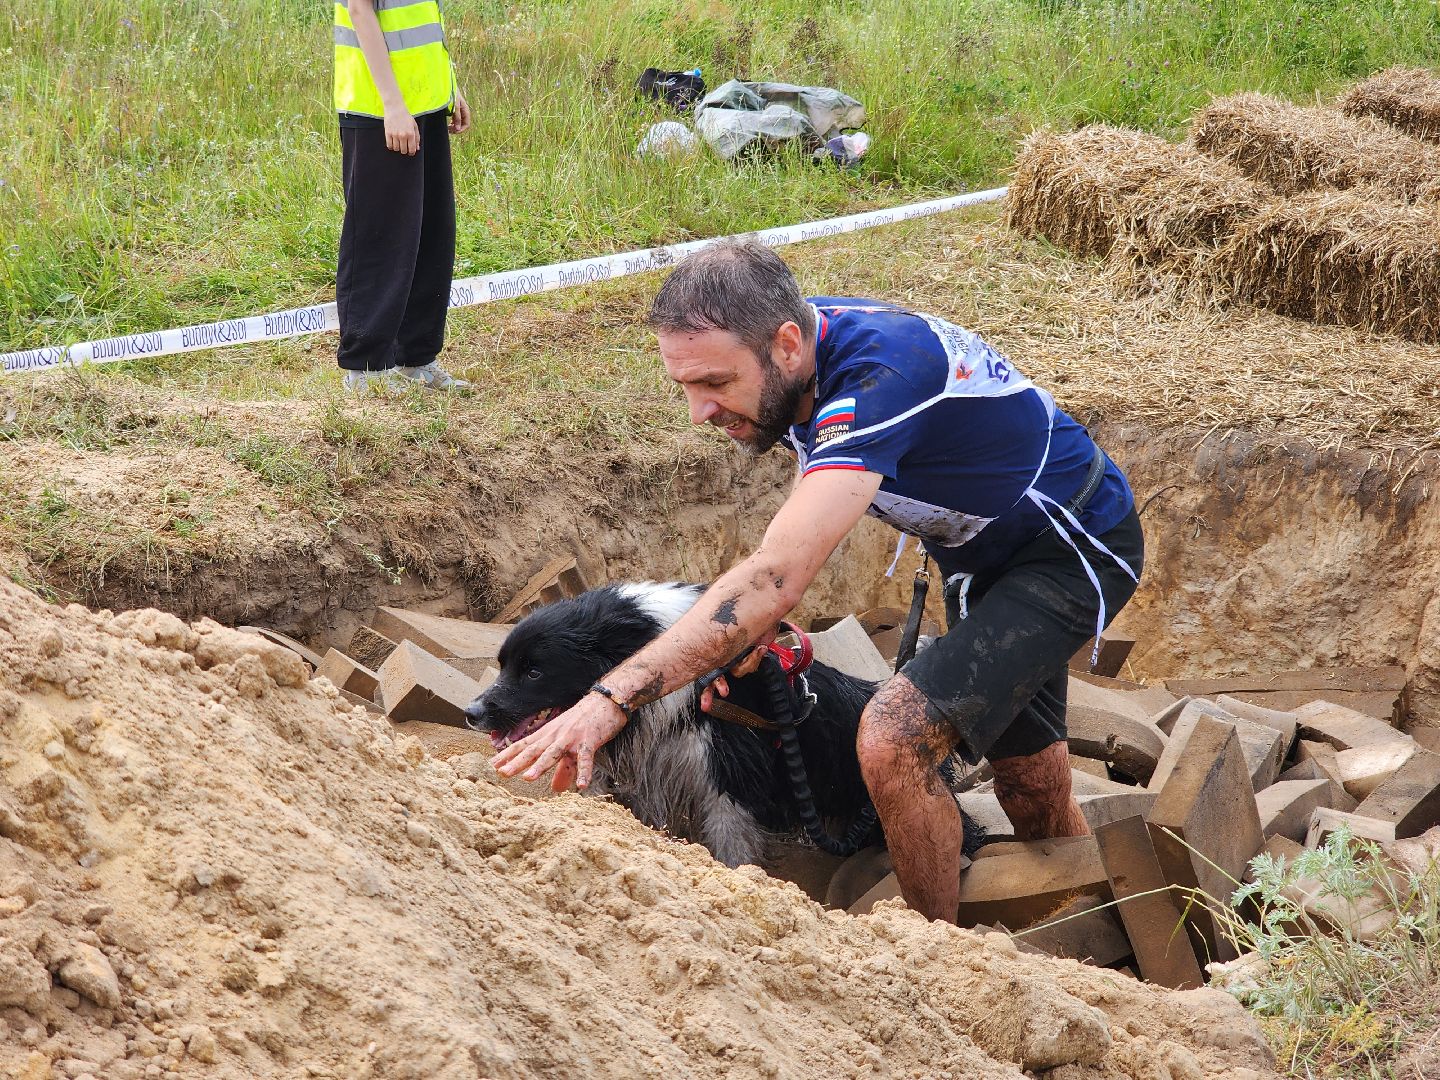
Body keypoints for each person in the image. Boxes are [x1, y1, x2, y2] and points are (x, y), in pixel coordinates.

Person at [494, 240, 1144, 923]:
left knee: (893, 740)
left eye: (714, 383)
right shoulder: (796, 355)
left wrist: (610, 699)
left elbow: (775, 574)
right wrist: (742, 632)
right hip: (981, 556)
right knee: (1028, 781)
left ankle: (937, 954)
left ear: (784, 345)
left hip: (1072, 544)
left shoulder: (878, 382)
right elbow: (803, 526)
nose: (699, 412)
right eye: (685, 386)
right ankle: (1092, 923)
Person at [333, 0, 472, 392]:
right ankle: (366, 370)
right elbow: (360, 12)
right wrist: (392, 105)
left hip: (425, 106)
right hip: (379, 112)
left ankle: (417, 360)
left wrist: (450, 89)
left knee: (431, 235)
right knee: (380, 239)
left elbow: (421, 23)